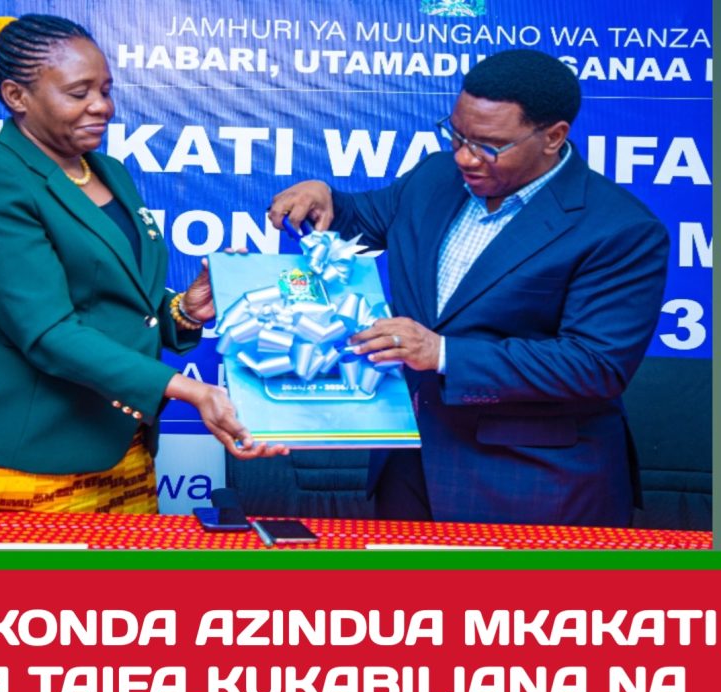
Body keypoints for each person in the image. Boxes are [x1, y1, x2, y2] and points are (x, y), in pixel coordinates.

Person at [268, 49, 669, 527]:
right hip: (410, 468)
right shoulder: (435, 176)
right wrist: (323, 197)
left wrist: (443, 353)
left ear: (553, 137)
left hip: (534, 485)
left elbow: (594, 365)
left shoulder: (620, 228)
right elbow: (361, 221)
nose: (464, 156)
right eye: (456, 134)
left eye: (489, 146)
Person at [0, 14, 284, 514]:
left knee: (126, 570)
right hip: (15, 454)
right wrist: (189, 390)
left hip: (119, 443)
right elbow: (47, 331)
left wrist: (184, 310)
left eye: (105, 90)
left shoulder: (107, 170)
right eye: (78, 92)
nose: (102, 106)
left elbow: (112, 295)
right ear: (17, 96)